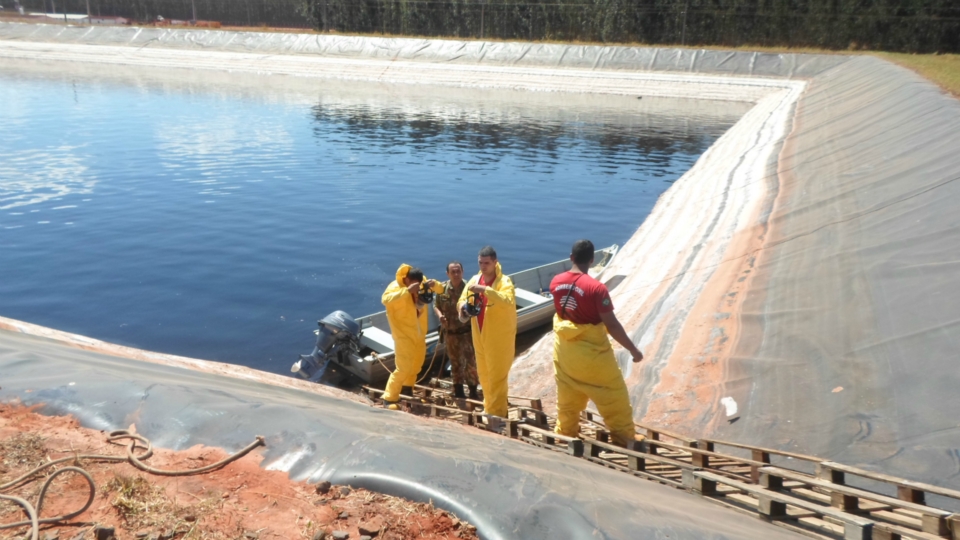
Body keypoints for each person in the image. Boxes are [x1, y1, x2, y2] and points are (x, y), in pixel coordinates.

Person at [549, 239, 644, 447]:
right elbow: (612, 325)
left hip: (565, 353)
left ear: (571, 258)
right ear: (591, 260)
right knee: (614, 396)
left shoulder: (555, 282)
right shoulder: (597, 289)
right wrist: (633, 350)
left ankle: (565, 433)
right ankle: (623, 436)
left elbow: (563, 315)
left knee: (567, 400)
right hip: (593, 357)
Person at [458, 246, 516, 417]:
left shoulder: (504, 282)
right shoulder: (475, 279)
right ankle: (489, 408)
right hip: (480, 336)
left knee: (497, 376)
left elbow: (507, 300)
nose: (483, 266)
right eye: (480, 263)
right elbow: (462, 299)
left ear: (495, 262)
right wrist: (462, 308)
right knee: (484, 375)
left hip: (499, 338)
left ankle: (497, 414)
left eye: (487, 263)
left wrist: (485, 291)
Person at [381, 264, 443, 408]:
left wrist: (435, 284)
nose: (417, 286)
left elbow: (440, 289)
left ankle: (407, 389)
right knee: (403, 367)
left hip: (419, 333)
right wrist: (406, 291)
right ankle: (389, 397)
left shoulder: (421, 282)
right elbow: (385, 300)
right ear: (407, 279)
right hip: (403, 334)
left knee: (416, 364)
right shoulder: (395, 287)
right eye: (414, 283)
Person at [433, 261, 480, 400]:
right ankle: (458, 390)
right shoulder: (442, 289)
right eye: (453, 272)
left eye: (458, 271)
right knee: (455, 363)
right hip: (450, 334)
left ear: (462, 271)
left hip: (467, 333)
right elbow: (436, 305)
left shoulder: (469, 288)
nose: (456, 274)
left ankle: (473, 391)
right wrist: (440, 316)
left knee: (470, 362)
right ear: (448, 274)